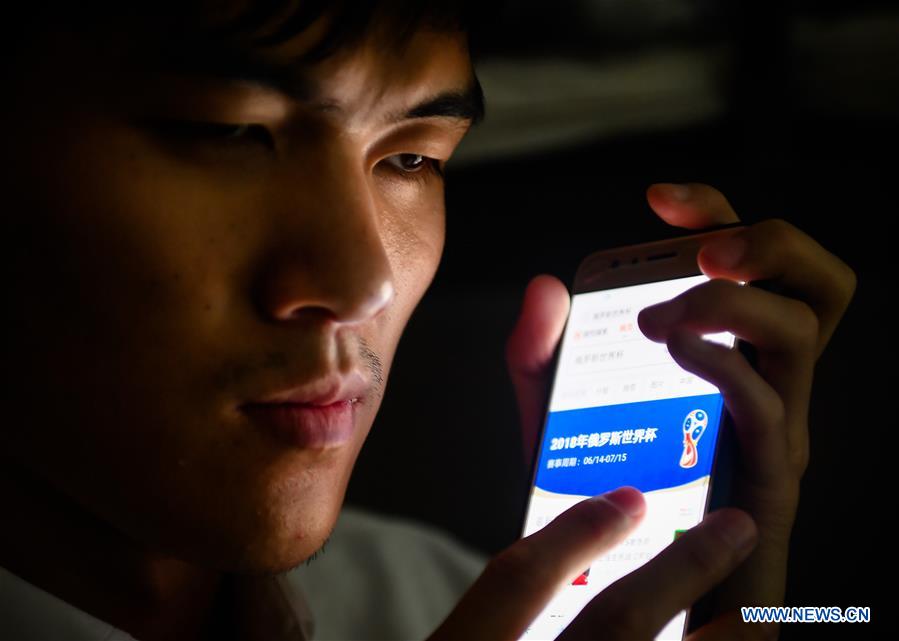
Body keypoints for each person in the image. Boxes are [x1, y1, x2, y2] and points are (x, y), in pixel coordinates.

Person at [0, 1, 857, 640]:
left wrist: (743, 595)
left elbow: (846, 613)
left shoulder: (445, 597)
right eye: (227, 134)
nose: (365, 280)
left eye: (411, 158)